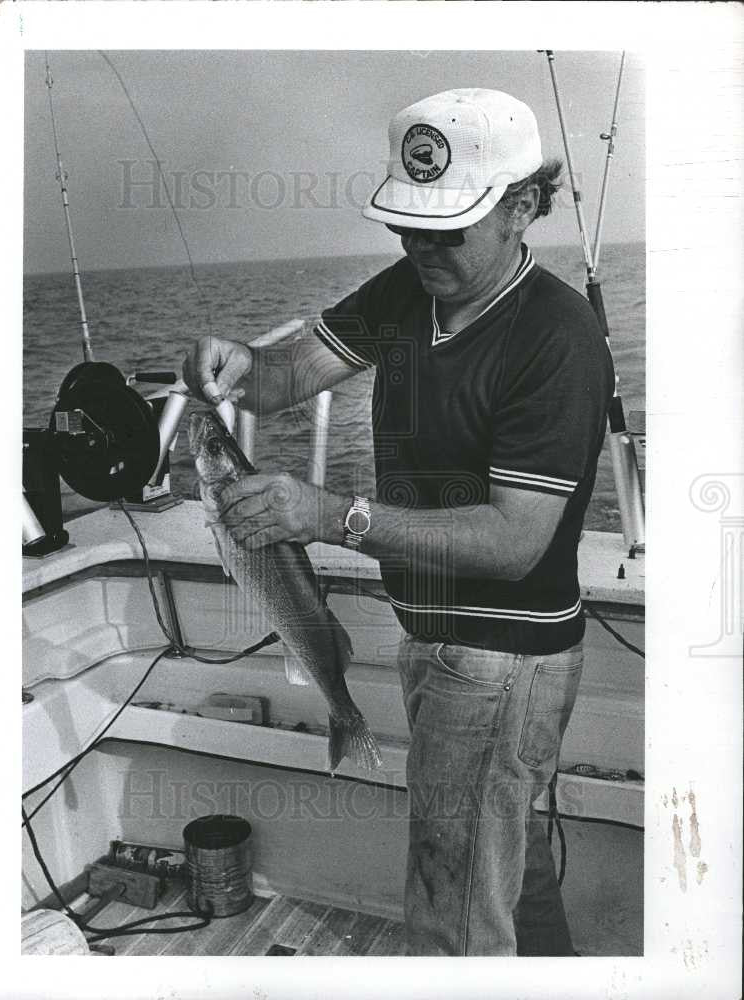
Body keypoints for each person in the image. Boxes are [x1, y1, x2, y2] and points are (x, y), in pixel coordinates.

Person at [183, 88, 614, 956]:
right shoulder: (409, 288)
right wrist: (236, 361)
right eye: (405, 225)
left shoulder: (559, 340)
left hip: (501, 658)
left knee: (451, 904)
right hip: (433, 638)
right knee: (506, 859)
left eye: (444, 229)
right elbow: (282, 378)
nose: (419, 248)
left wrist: (330, 514)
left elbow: (514, 540)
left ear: (521, 206)